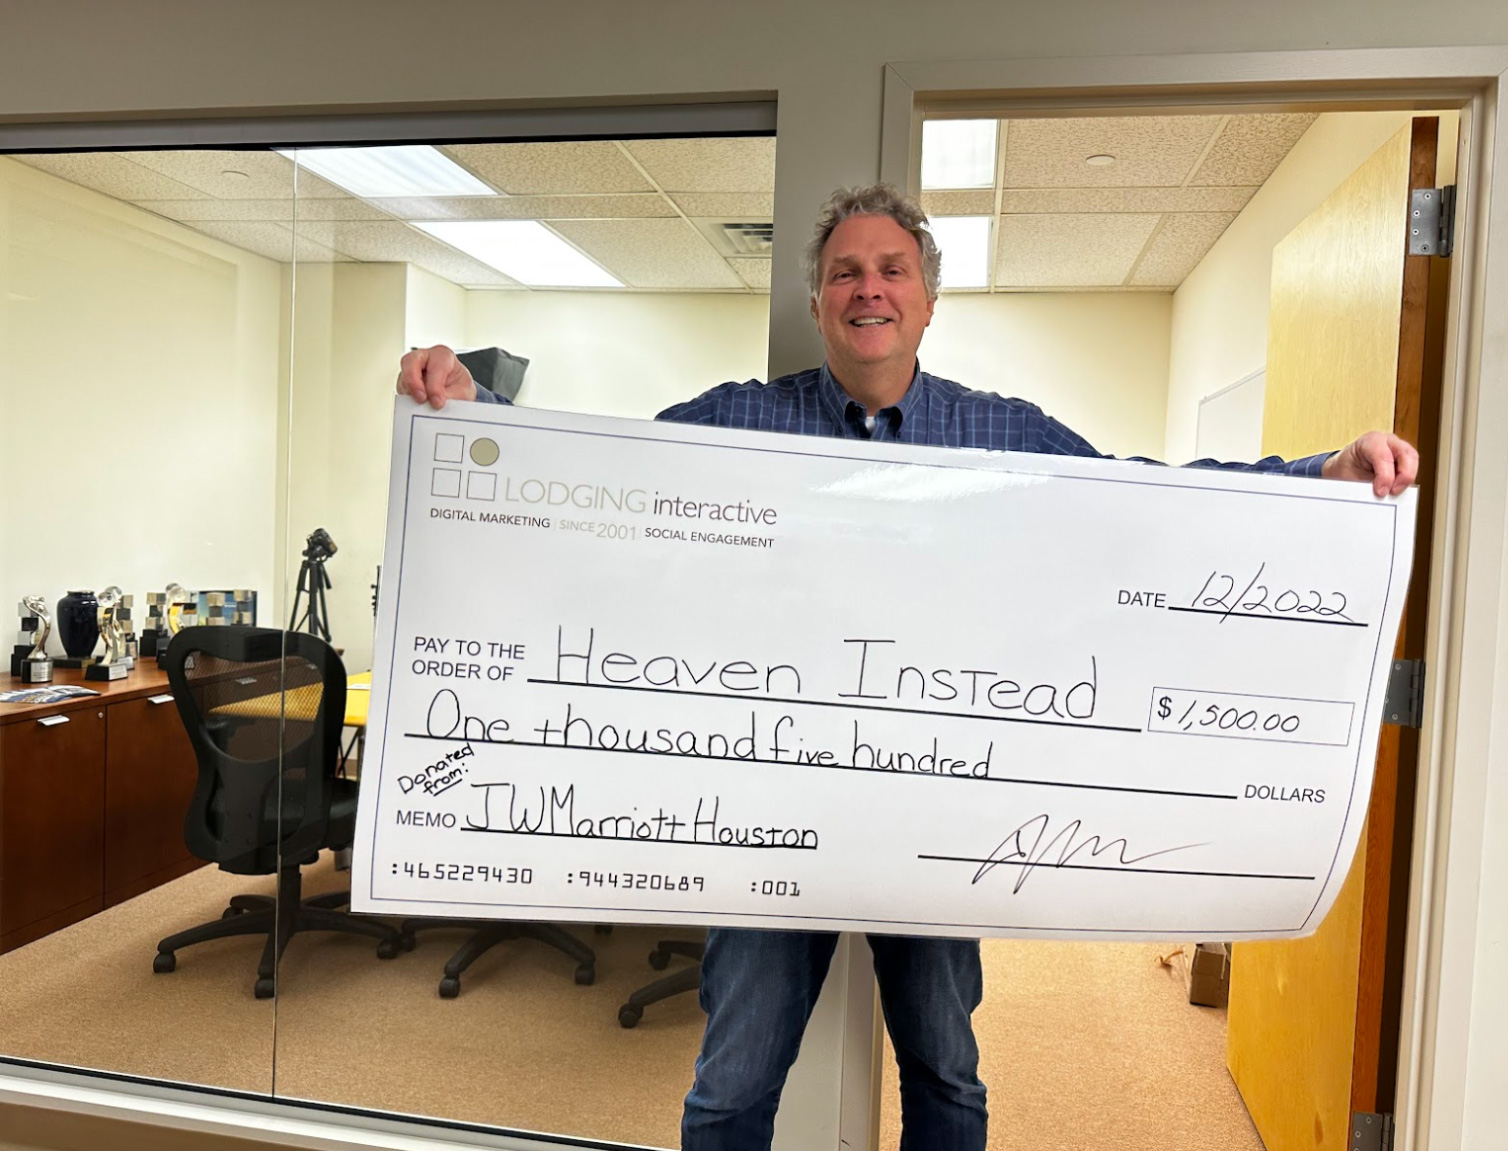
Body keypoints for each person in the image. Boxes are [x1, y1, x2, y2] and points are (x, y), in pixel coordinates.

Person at [397, 184, 1418, 1151]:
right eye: (846, 272)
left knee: (946, 1068)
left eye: (891, 269)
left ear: (926, 300)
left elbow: (1147, 503)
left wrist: (1315, 478)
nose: (868, 288)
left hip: (937, 819)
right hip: (765, 810)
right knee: (733, 1077)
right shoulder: (742, 420)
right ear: (818, 301)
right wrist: (472, 404)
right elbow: (592, 479)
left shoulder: (1002, 433)